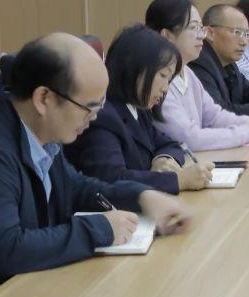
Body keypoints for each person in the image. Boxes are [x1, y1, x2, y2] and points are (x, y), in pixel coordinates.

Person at [0, 33, 192, 297]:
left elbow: (77, 188)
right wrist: (100, 229)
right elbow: (6, 251)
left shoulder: (39, 135)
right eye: (89, 108)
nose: (93, 119)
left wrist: (143, 196)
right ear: (43, 98)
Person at [67, 25, 214, 194]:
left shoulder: (138, 108)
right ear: (135, 69)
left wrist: (163, 159)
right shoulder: (102, 117)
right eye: (163, 76)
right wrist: (179, 180)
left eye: (169, 79)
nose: (165, 88)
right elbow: (111, 179)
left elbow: (170, 143)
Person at [146, 0, 249, 151]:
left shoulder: (187, 72)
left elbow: (214, 116)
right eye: (193, 28)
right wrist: (247, 132)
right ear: (167, 35)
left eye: (200, 28)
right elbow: (190, 138)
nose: (201, 36)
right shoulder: (156, 81)